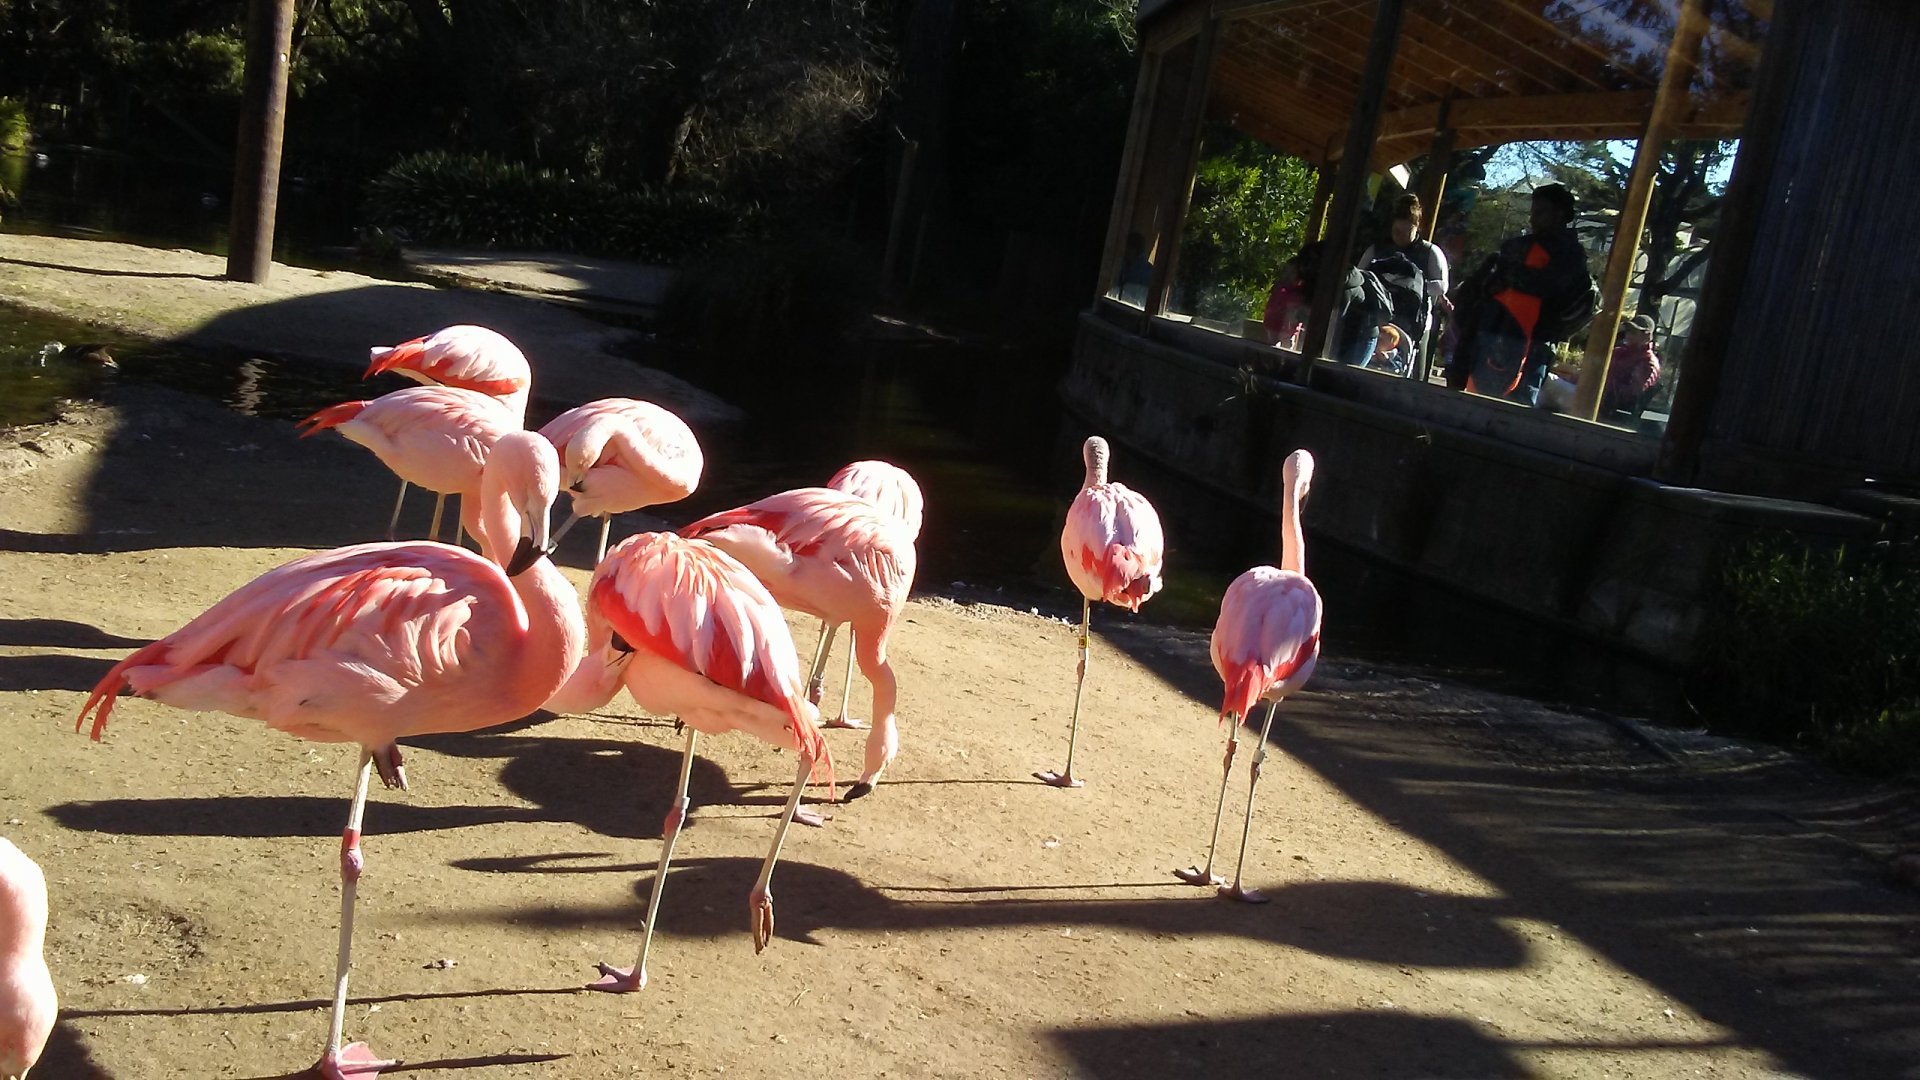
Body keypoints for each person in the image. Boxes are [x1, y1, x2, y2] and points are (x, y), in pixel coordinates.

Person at [1447, 183, 1597, 404]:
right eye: (1533, 212)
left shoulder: (1568, 255)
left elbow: (1558, 294)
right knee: (1494, 402)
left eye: (1541, 212)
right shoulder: (1523, 247)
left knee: (1510, 405)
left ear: (1560, 214)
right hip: (1498, 334)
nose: (1533, 219)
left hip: (1529, 343)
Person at [1356, 193, 1451, 374]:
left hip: (1414, 321)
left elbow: (1442, 285)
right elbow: (1358, 276)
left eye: (1406, 232)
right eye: (1396, 232)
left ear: (1417, 227)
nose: (1400, 237)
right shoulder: (1377, 249)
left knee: (1413, 369)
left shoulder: (1430, 252)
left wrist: (1414, 285)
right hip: (1377, 317)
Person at [1536, 313, 1663, 417]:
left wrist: (1599, 382)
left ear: (1647, 335)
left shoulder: (1647, 362)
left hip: (1600, 405)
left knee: (1545, 380)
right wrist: (1574, 378)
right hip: (1586, 393)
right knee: (1543, 390)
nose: (1628, 334)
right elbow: (1591, 372)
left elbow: (1631, 394)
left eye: (1634, 331)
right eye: (1628, 330)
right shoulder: (1619, 351)